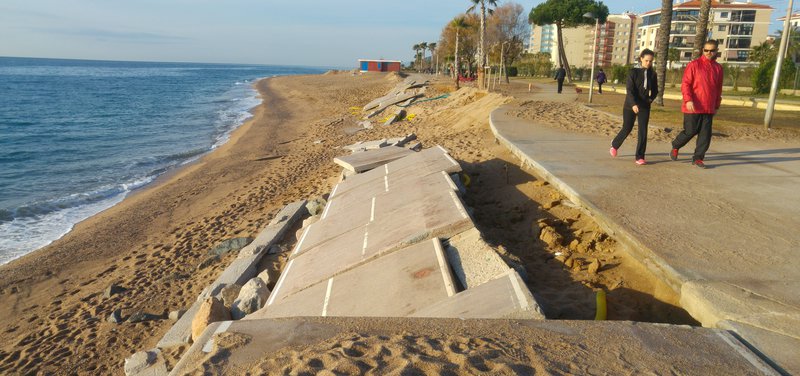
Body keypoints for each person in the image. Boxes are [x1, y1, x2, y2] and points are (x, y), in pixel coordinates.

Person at [669, 40, 723, 169]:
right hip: (692, 106)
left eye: (712, 50)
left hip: (708, 107)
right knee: (690, 131)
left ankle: (698, 158)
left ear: (716, 51)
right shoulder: (694, 65)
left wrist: (716, 105)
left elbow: (718, 88)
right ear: (702, 50)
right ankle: (676, 146)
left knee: (705, 135)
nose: (709, 53)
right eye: (706, 50)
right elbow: (686, 84)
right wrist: (688, 100)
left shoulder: (718, 68)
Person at [610, 49, 658, 165]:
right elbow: (630, 90)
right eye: (646, 60)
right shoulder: (633, 72)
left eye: (651, 61)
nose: (648, 63)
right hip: (630, 105)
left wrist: (650, 99)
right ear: (641, 58)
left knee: (643, 131)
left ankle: (640, 156)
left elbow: (655, 90)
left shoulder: (653, 74)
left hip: (644, 106)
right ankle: (615, 145)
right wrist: (633, 104)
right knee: (627, 128)